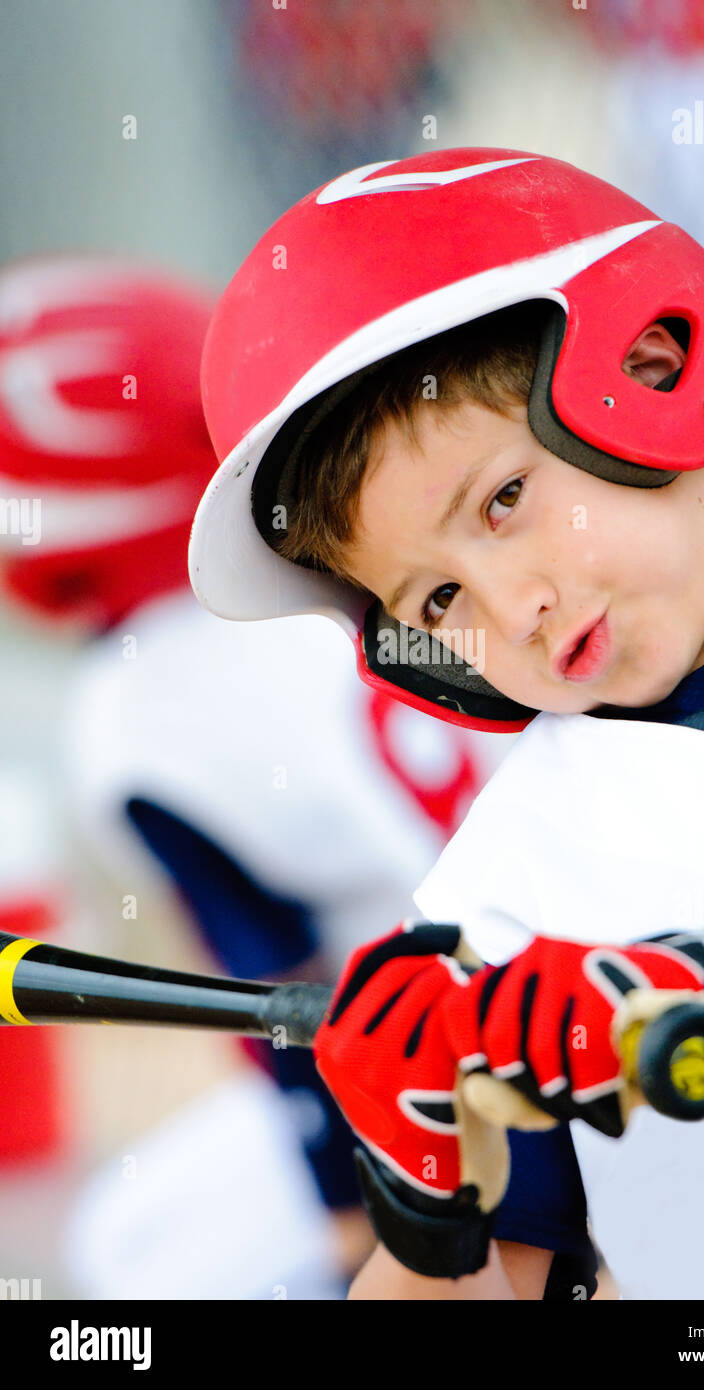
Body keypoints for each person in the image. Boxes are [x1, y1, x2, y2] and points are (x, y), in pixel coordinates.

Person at [188, 148, 704, 1299]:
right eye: (435, 599)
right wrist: (423, 1209)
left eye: (503, 501)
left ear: (650, 362)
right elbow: (510, 1276)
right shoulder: (499, 893)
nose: (509, 608)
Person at [0, 252, 523, 1298]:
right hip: (598, 980)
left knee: (134, 1254)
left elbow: (277, 1000)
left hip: (458, 1058)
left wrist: (351, 1221)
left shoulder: (137, 708)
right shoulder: (341, 557)